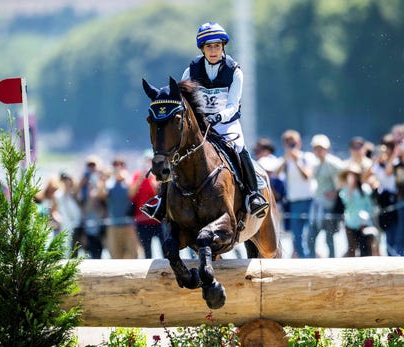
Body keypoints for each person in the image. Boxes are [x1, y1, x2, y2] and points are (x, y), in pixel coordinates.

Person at [142, 21, 269, 221]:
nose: (213, 50)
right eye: (209, 46)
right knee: (176, 153)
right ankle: (162, 200)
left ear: (222, 47)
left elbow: (234, 105)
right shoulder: (191, 71)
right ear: (202, 48)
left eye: (217, 46)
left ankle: (253, 195)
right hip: (200, 124)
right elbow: (181, 101)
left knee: (239, 147)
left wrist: (219, 116)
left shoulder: (234, 71)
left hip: (226, 123)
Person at [275, 130, 316, 258]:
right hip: (293, 201)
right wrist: (286, 158)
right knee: (296, 235)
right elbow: (276, 174)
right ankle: (304, 259)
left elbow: (307, 176)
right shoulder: (285, 160)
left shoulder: (307, 157)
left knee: (308, 233)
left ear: (299, 143)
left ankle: (308, 258)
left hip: (308, 200)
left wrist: (296, 160)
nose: (291, 145)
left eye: (293, 143)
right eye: (288, 143)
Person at [307, 134, 344, 258]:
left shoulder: (333, 162)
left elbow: (346, 176)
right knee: (311, 237)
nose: (318, 151)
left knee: (329, 238)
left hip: (329, 206)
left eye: (320, 148)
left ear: (327, 148)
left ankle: (332, 262)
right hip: (318, 205)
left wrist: (336, 192)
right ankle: (311, 262)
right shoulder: (317, 164)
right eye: (316, 148)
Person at [99, 157, 139, 259]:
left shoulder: (128, 180)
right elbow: (102, 195)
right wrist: (104, 178)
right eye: (115, 165)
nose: (118, 168)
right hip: (113, 225)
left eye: (121, 165)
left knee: (132, 255)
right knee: (115, 255)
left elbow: (132, 193)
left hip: (128, 225)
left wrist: (125, 178)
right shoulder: (109, 183)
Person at [129, 150, 164, 259]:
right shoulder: (137, 176)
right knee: (147, 253)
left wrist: (153, 180)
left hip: (159, 220)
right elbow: (131, 195)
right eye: (147, 160)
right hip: (142, 221)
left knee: (165, 250)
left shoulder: (160, 176)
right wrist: (140, 179)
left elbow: (159, 194)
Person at [338, 164, 377, 257]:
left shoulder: (365, 189)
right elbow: (346, 202)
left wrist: (366, 219)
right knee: (351, 249)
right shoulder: (343, 191)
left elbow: (370, 207)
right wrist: (350, 188)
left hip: (364, 224)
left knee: (365, 250)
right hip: (350, 223)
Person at [371, 136, 399, 256]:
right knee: (387, 232)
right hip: (384, 202)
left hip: (396, 201)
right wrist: (378, 158)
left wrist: (394, 154)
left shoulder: (397, 163)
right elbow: (369, 174)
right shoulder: (379, 164)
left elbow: (389, 171)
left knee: (397, 233)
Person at [77, 155, 106, 259]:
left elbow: (103, 196)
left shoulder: (102, 178)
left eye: (94, 165)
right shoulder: (84, 180)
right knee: (89, 248)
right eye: (89, 165)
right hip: (88, 219)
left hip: (101, 218)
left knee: (100, 247)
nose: (92, 168)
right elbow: (79, 196)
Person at [56, 172, 83, 257]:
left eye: (68, 180)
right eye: (64, 180)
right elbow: (54, 210)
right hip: (64, 226)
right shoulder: (57, 195)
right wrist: (58, 219)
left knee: (75, 251)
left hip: (76, 227)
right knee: (64, 250)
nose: (66, 182)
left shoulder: (75, 194)